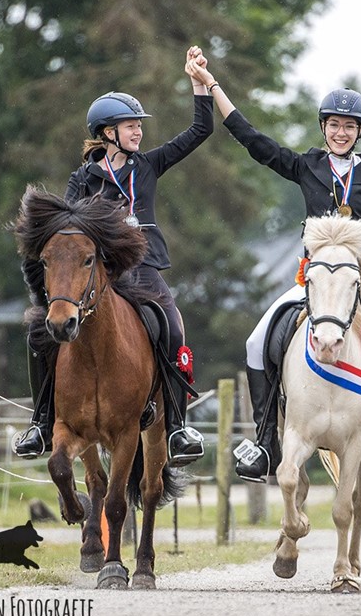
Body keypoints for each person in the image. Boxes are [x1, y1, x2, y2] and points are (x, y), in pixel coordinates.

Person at [185, 56, 361, 492]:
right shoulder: (307, 165)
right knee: (256, 342)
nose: (340, 133)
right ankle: (264, 442)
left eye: (349, 127)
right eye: (334, 125)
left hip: (359, 284)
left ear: (360, 132)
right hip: (310, 281)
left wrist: (352, 253)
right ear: (323, 127)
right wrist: (213, 86)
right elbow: (255, 142)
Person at [13, 46, 214, 467]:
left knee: (172, 326)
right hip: (100, 275)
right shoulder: (82, 179)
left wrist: (199, 84)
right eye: (130, 126)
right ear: (108, 133)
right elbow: (66, 230)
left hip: (145, 269)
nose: (138, 132)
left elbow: (200, 130)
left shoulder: (150, 165)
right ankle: (40, 422)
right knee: (38, 333)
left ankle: (177, 427)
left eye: (138, 125)